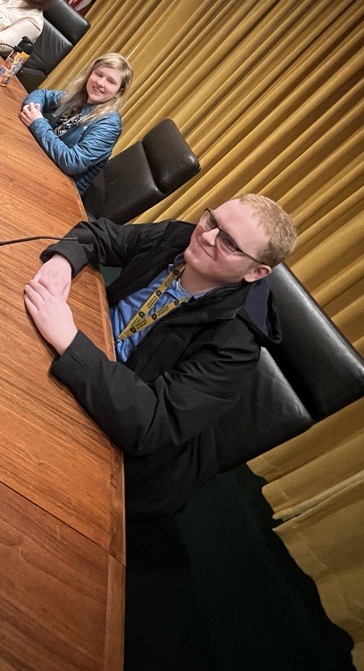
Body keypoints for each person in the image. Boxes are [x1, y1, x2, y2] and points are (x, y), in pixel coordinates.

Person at [23, 195, 298, 520]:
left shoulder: (236, 346)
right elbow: (100, 235)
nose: (207, 236)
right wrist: (63, 262)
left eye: (229, 243)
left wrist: (70, 341)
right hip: (88, 359)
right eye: (213, 220)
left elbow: (151, 423)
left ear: (255, 272)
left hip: (120, 447)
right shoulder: (182, 238)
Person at [19, 53, 134, 194]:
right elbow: (42, 94)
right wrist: (32, 108)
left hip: (60, 188)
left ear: (119, 92)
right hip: (42, 161)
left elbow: (72, 162)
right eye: (99, 74)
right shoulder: (80, 97)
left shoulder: (110, 124)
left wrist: (38, 123)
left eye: (111, 81)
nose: (100, 83)